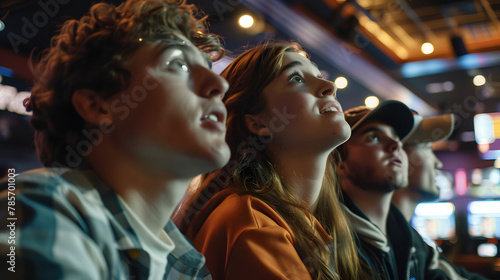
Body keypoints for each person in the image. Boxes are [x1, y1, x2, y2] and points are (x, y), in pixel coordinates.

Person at [0, 0, 230, 279]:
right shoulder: (41, 208)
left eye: (208, 66)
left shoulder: (187, 265)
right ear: (98, 106)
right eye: (178, 64)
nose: (220, 84)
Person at [174, 42, 369, 280]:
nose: (329, 87)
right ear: (258, 123)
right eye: (296, 79)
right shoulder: (251, 223)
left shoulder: (318, 222)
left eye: (319, 76)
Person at [336, 101, 488, 279]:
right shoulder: (332, 242)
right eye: (374, 137)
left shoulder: (405, 237)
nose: (395, 145)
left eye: (398, 138)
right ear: (338, 162)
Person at [392, 113, 455, 222]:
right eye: (427, 148)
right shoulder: (373, 236)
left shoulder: (400, 236)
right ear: (398, 157)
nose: (438, 163)